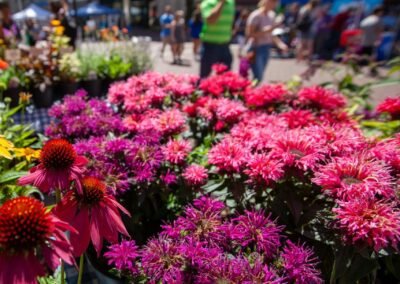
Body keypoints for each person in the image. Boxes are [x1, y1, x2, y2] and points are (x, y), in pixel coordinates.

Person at [246, 0, 288, 83]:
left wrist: (280, 44)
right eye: (272, 1)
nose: (274, 4)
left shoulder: (271, 15)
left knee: (259, 76)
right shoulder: (256, 15)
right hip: (256, 48)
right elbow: (249, 34)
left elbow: (271, 34)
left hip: (266, 47)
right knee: (258, 76)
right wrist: (267, 30)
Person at [200, 0, 235, 78]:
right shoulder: (207, 3)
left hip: (225, 45)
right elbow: (211, 20)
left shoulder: (231, 2)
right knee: (204, 77)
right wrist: (221, 3)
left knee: (226, 79)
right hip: (210, 45)